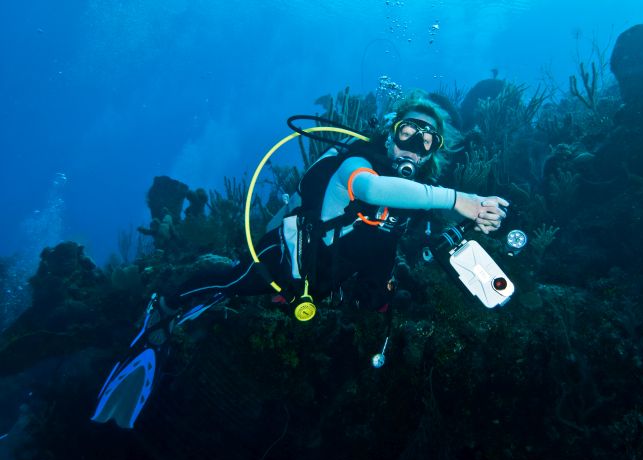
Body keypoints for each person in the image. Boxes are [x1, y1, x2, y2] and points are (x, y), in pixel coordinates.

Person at [91, 92, 509, 428]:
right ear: (389, 133)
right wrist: (460, 199)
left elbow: (412, 243)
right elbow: (371, 190)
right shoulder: (357, 161)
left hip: (330, 284)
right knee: (235, 281)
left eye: (427, 140)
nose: (414, 146)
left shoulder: (416, 197)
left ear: (433, 152)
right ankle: (165, 306)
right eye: (407, 132)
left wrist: (474, 223)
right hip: (288, 260)